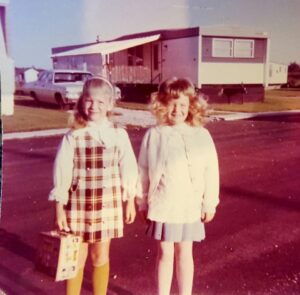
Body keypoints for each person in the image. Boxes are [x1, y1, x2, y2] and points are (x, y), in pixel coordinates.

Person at [49, 76, 138, 295]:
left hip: (107, 205)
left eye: (100, 102)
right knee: (75, 257)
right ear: (82, 102)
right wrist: (59, 208)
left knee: (100, 256)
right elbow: (62, 173)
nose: (94, 106)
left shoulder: (118, 135)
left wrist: (130, 201)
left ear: (109, 105)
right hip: (78, 205)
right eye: (89, 100)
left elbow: (129, 169)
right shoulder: (74, 136)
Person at [137, 77, 220, 295]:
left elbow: (211, 170)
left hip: (189, 205)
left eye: (183, 104)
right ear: (162, 104)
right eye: (172, 104)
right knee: (164, 252)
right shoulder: (154, 135)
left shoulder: (201, 135)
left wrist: (209, 203)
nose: (177, 109)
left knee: (184, 252)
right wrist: (142, 202)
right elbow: (143, 170)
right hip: (163, 204)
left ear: (191, 107)